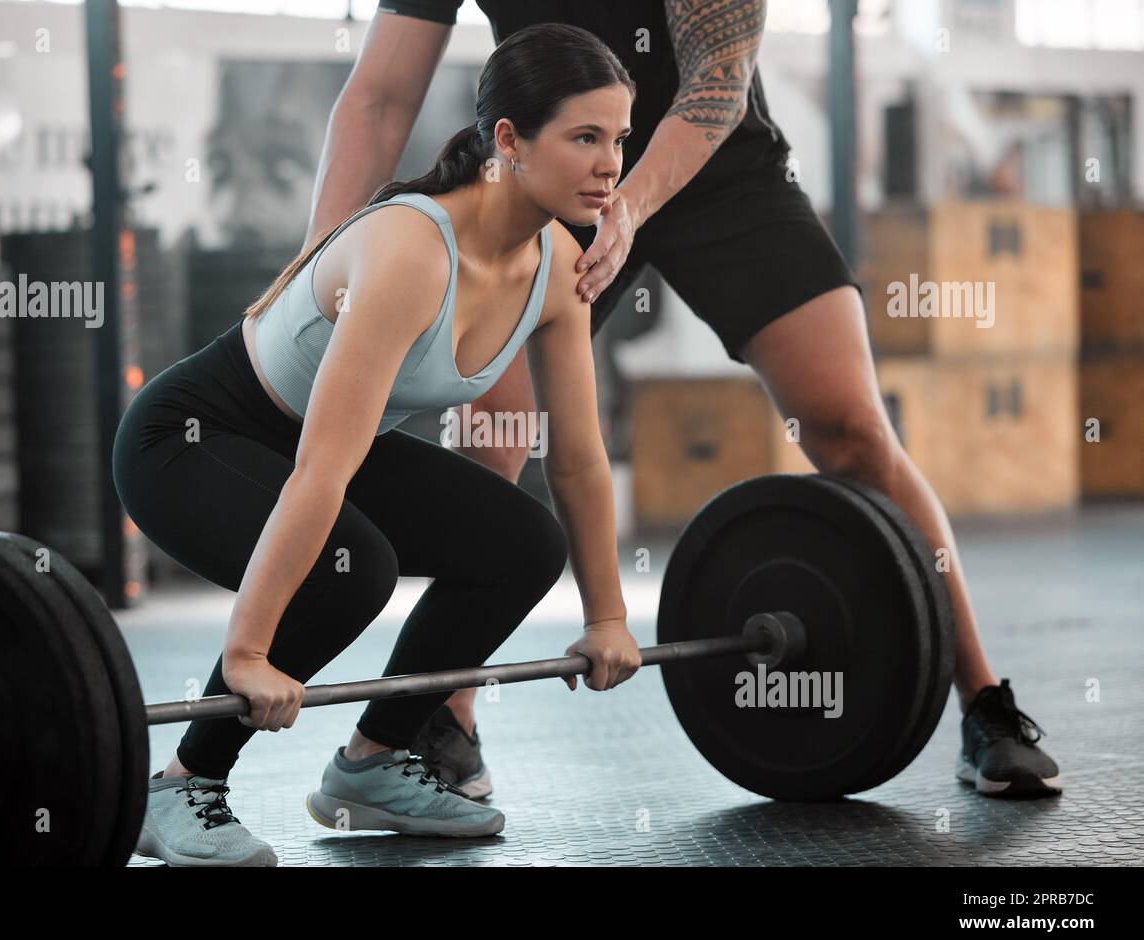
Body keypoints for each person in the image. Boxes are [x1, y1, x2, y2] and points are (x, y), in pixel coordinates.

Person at [305, 0, 1061, 801]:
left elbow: (718, 81)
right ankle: (442, 720)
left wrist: (627, 204)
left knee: (852, 427)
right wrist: (314, 277)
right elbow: (381, 95)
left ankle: (984, 704)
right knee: (493, 424)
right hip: (553, 165)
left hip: (722, 171)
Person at [112, 23, 645, 866]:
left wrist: (608, 615)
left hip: (316, 449)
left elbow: (575, 457)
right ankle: (184, 781)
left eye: (618, 138)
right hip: (193, 440)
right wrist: (248, 651)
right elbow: (323, 467)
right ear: (509, 140)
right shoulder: (410, 249)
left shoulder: (556, 264)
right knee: (349, 564)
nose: (611, 163)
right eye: (585, 137)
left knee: (520, 542)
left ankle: (370, 763)